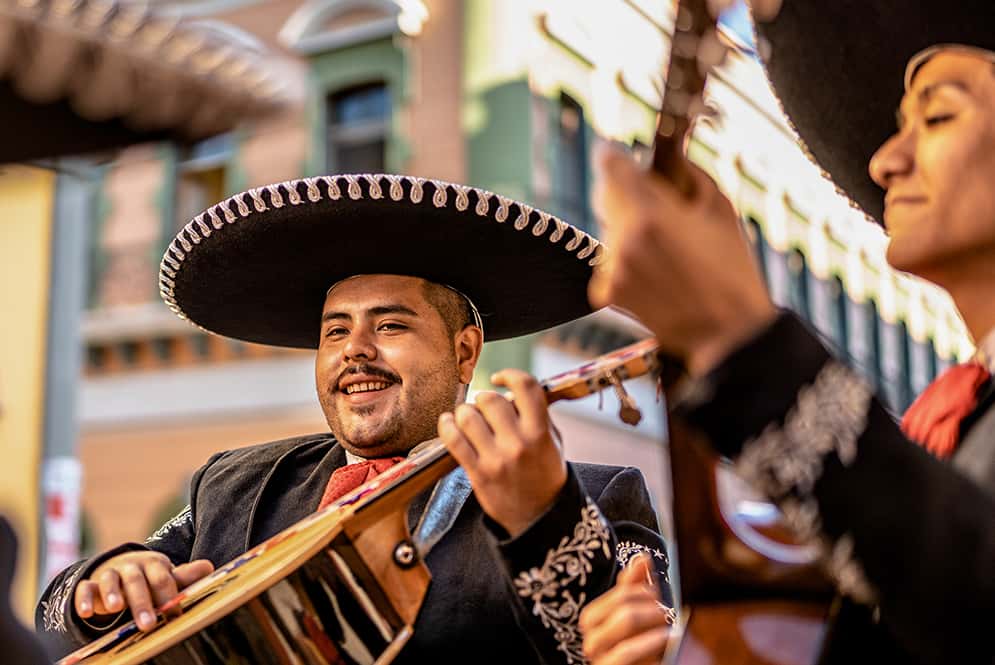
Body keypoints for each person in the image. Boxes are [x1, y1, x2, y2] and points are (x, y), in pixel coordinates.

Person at [36, 173, 674, 664]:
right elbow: (53, 613)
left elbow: (632, 643)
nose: (354, 350)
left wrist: (545, 521)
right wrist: (106, 582)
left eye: (391, 325)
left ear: (465, 353)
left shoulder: (595, 497)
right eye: (334, 330)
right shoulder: (231, 484)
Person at [579, 2, 995, 664]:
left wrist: (741, 342)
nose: (886, 159)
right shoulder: (942, 423)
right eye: (896, 127)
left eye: (938, 115)